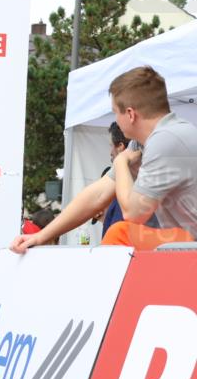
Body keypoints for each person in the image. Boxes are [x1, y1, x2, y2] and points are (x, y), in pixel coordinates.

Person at [12, 66, 196, 252]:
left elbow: (134, 213)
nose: (115, 120)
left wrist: (120, 162)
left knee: (120, 233)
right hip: (186, 245)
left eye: (115, 112)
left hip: (189, 248)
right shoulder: (147, 142)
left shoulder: (166, 140)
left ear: (131, 114)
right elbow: (97, 195)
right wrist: (42, 235)